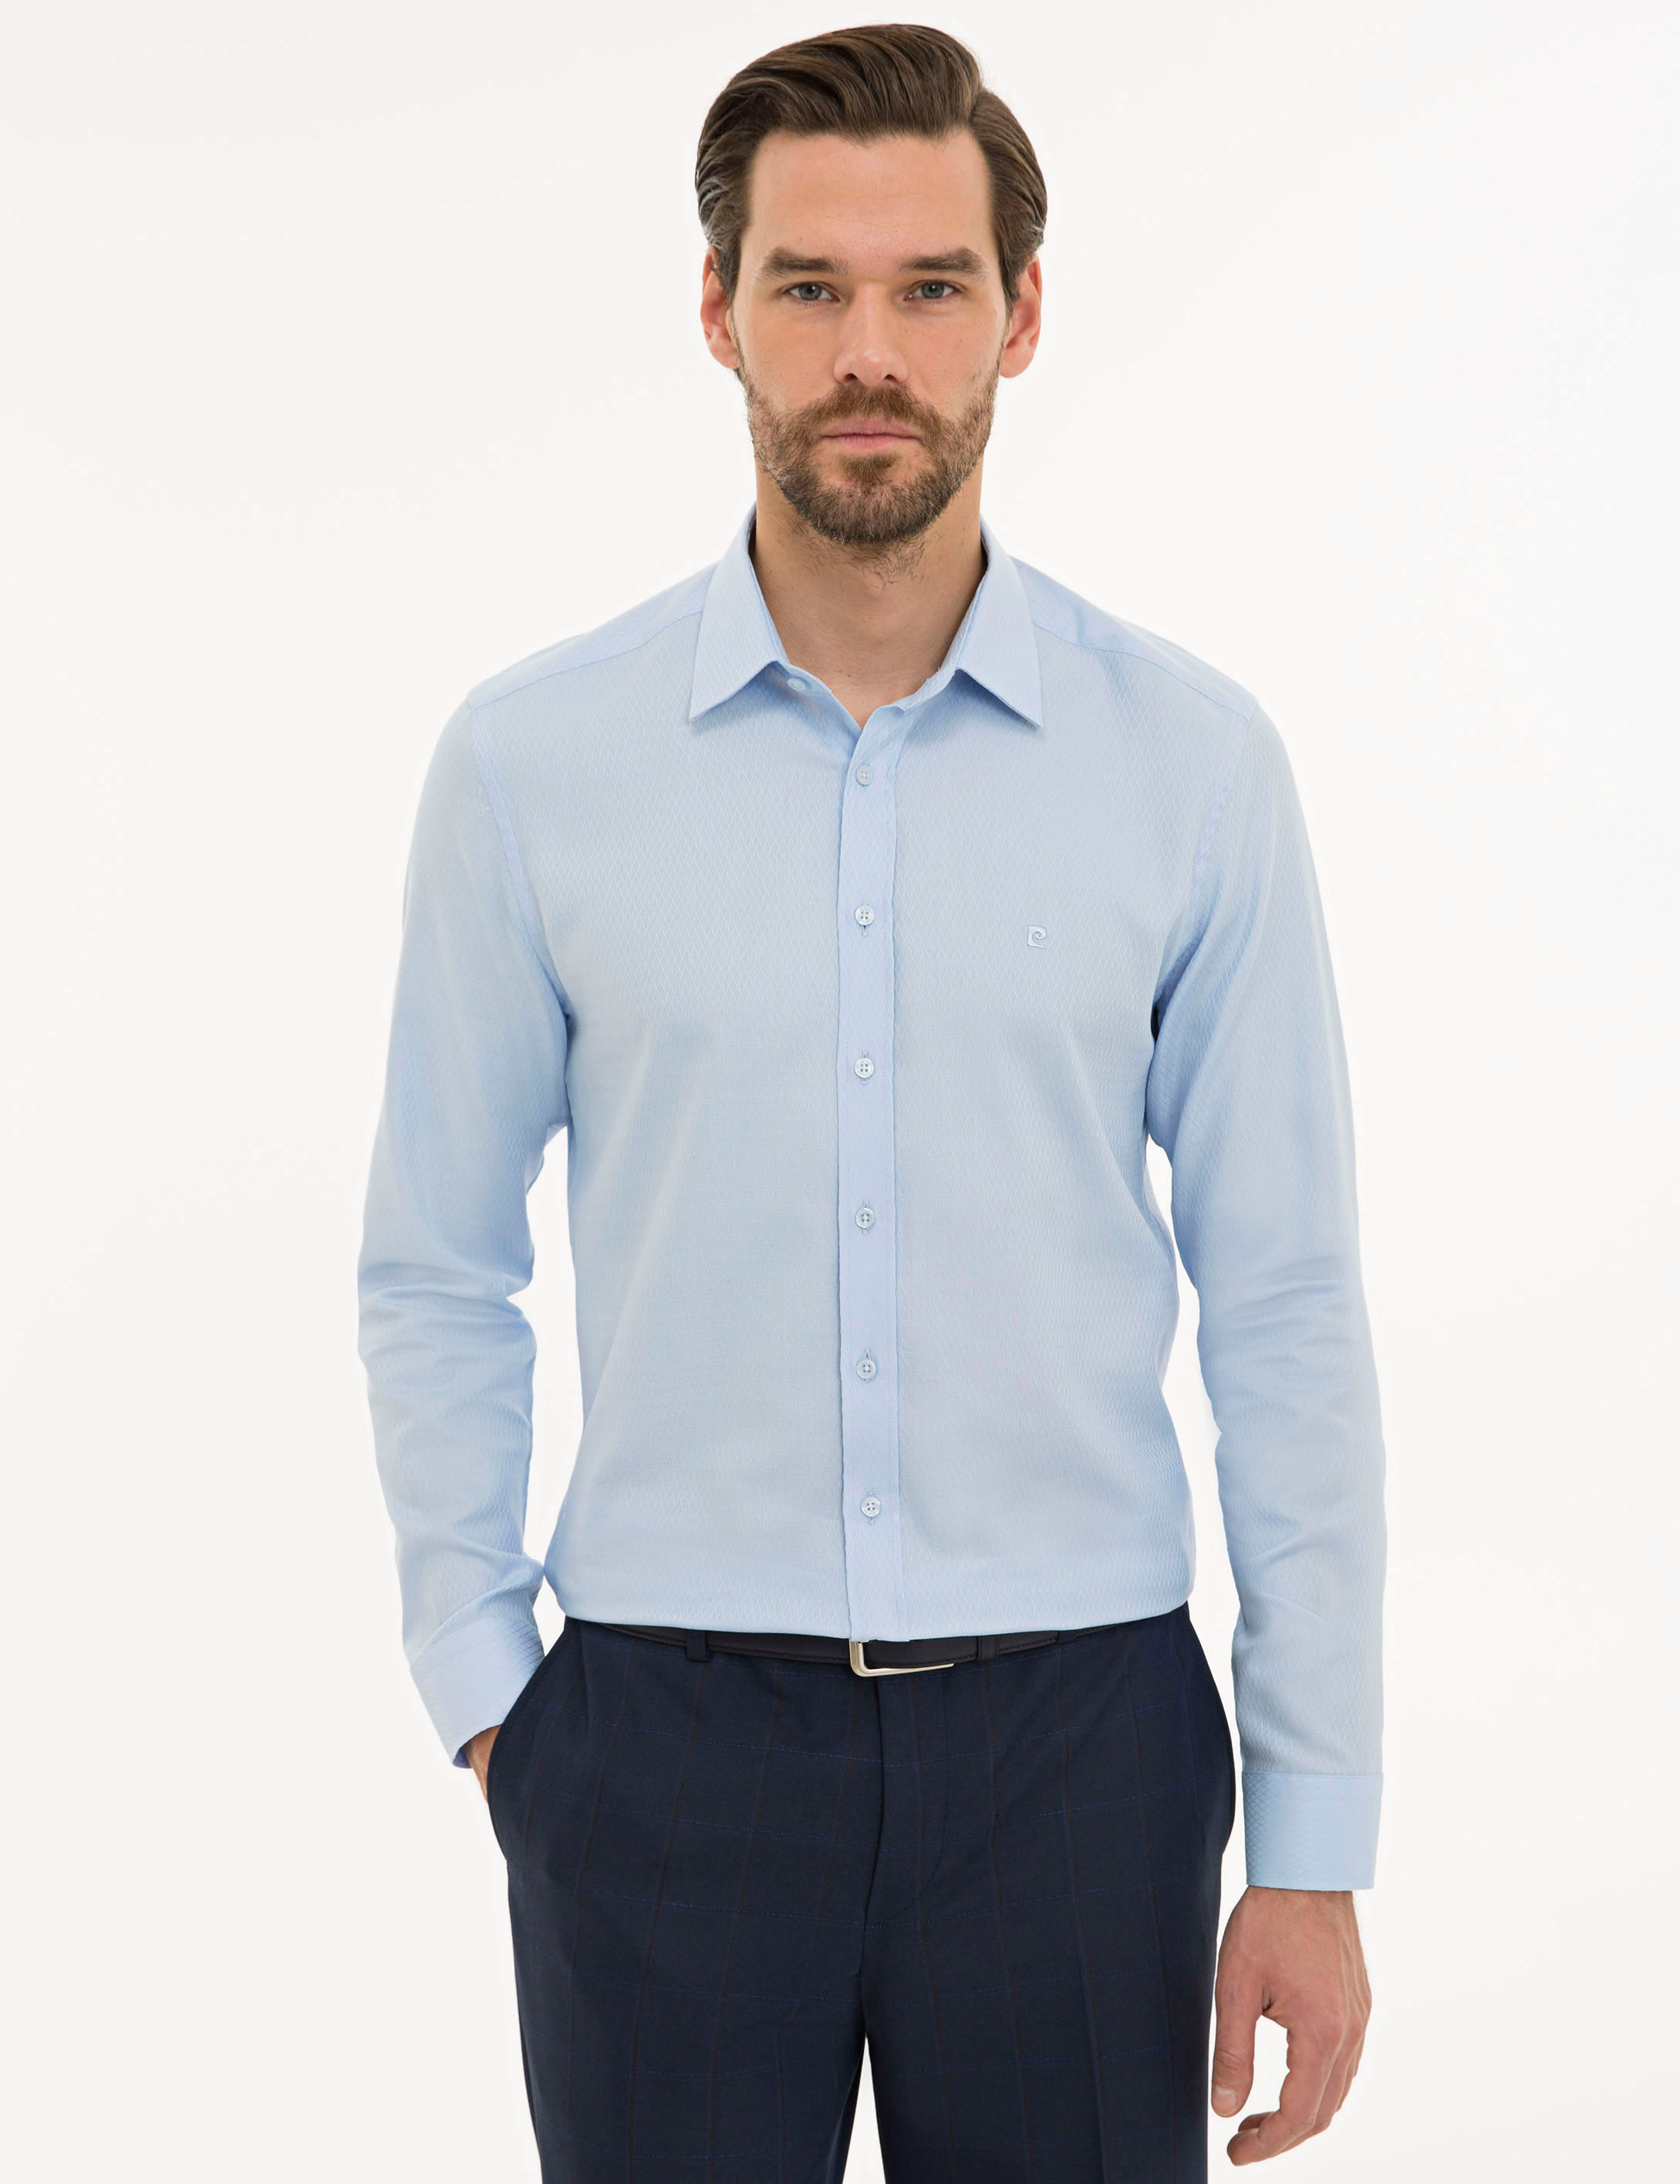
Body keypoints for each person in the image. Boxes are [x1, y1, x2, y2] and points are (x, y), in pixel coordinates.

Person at [356, 22, 1384, 2181]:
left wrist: (1309, 1834)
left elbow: (1285, 1304)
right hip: (653, 1742)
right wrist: (490, 1690)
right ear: (716, 309)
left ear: (1021, 312)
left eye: (930, 287)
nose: (867, 355)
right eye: (808, 286)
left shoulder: (1193, 768)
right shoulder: (533, 765)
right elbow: (436, 1263)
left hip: (1083, 1748)